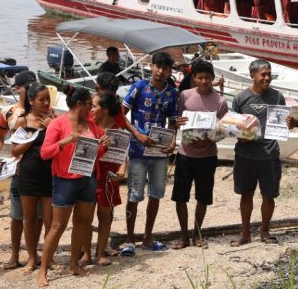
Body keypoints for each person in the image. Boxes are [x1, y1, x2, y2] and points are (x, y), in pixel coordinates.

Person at [37, 87, 104, 287]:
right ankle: (43, 270)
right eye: (89, 105)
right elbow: (44, 153)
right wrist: (64, 142)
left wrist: (104, 145)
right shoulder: (58, 124)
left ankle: (74, 264)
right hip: (65, 180)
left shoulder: (91, 124)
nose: (91, 110)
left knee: (83, 222)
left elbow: (97, 152)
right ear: (79, 104)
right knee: (57, 226)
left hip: (87, 178)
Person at [231, 59, 294, 246]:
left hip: (270, 155)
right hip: (245, 155)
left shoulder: (278, 97)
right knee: (246, 194)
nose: (267, 78)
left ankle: (265, 231)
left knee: (269, 195)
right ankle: (245, 233)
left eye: (269, 74)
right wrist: (239, 135)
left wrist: (290, 124)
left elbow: (283, 124)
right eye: (263, 74)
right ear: (252, 76)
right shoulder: (240, 98)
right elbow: (233, 126)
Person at [121, 51, 179, 254]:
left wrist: (172, 141)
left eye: (165, 68)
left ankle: (147, 237)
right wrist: (137, 134)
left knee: (155, 194)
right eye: (158, 66)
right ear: (151, 66)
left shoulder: (172, 92)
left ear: (170, 70)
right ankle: (129, 240)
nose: (161, 71)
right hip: (138, 150)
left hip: (160, 152)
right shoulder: (139, 87)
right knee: (134, 195)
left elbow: (172, 121)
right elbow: (122, 115)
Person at [172, 60, 227, 249]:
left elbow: (224, 129)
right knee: (180, 197)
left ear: (212, 79)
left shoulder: (220, 101)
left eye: (208, 78)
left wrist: (209, 140)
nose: (204, 81)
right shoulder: (184, 96)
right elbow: (175, 121)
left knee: (203, 197)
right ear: (194, 78)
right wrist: (177, 123)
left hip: (208, 156)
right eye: (200, 77)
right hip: (185, 154)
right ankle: (184, 236)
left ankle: (197, 234)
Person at [0, 69, 38, 270]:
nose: (32, 90)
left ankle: (34, 255)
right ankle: (14, 255)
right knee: (17, 216)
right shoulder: (8, 112)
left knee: (39, 216)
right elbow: (0, 136)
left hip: (38, 170)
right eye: (28, 87)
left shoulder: (44, 108)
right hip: (17, 170)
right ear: (19, 89)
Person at [10, 83, 55, 275]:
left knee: (49, 219)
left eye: (48, 99)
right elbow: (14, 151)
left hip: (50, 174)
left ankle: (48, 257)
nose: (45, 103)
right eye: (41, 100)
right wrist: (30, 139)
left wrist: (51, 128)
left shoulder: (54, 120)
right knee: (28, 219)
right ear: (31, 101)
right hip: (28, 174)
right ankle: (31, 257)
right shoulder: (22, 122)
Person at [90, 76, 128, 265]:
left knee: (104, 215)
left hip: (108, 175)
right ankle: (84, 252)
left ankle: (100, 252)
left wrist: (121, 172)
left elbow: (123, 155)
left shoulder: (117, 129)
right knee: (85, 215)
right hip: (89, 174)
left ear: (104, 109)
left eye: (94, 106)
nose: (92, 109)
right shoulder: (88, 124)